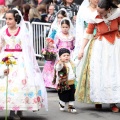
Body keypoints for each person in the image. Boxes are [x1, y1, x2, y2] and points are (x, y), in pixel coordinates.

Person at [0, 8, 47, 120]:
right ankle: (11, 109)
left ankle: (18, 109)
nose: (8, 21)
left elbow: (28, 48)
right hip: (5, 58)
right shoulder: (3, 30)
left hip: (19, 60)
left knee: (20, 83)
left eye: (10, 19)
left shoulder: (22, 31)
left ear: (16, 19)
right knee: (7, 84)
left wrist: (30, 64)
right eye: (6, 19)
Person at [77, 0, 120, 112]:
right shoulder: (94, 17)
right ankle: (98, 99)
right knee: (99, 72)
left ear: (109, 9)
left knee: (114, 73)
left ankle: (113, 102)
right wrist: (81, 49)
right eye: (98, 11)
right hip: (100, 47)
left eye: (102, 13)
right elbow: (88, 33)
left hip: (115, 46)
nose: (99, 15)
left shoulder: (117, 14)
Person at [73, 0, 103, 109]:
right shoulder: (84, 11)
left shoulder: (103, 9)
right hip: (89, 39)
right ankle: (96, 98)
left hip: (103, 39)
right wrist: (81, 46)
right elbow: (81, 28)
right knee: (92, 69)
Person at [52, 48, 79, 113]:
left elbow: (76, 64)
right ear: (60, 57)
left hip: (71, 83)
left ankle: (71, 106)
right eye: (64, 55)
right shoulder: (59, 64)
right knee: (63, 95)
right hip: (63, 84)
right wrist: (60, 64)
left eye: (68, 55)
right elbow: (58, 68)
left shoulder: (71, 63)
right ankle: (62, 104)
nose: (66, 57)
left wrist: (79, 58)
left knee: (71, 95)